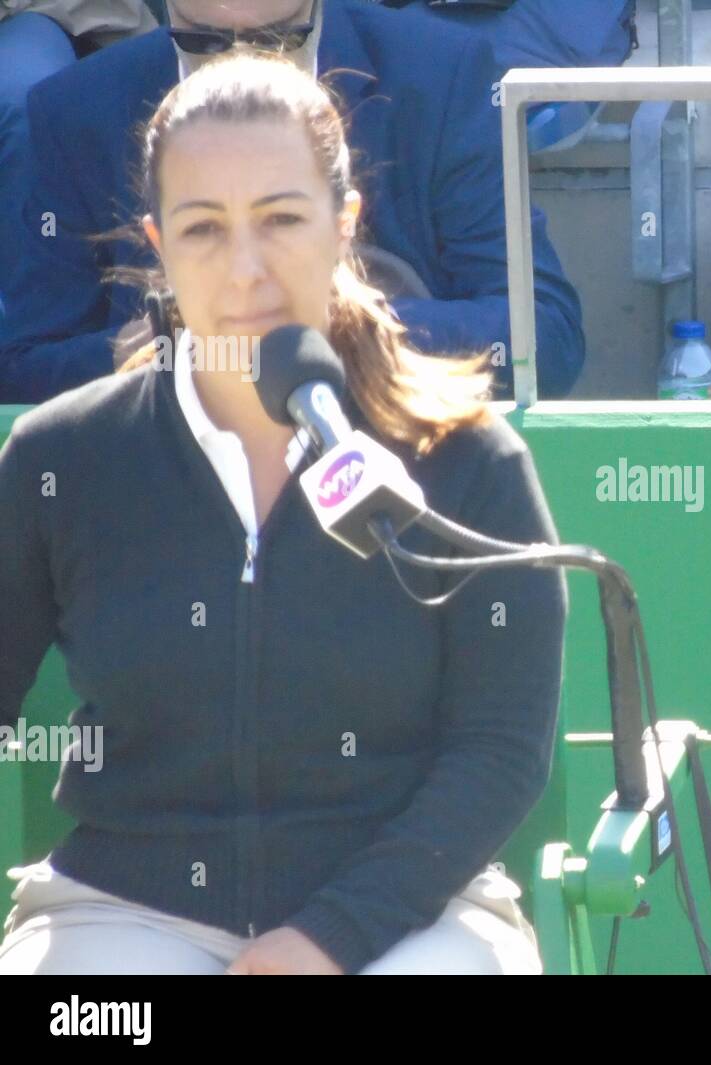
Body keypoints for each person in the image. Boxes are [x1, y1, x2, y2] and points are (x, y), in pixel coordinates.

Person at [0, 50, 568, 975]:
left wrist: (327, 939)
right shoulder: (60, 458)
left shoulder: (470, 459)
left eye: (281, 220)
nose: (246, 270)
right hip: (122, 914)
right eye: (203, 230)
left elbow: (499, 751)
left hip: (412, 913)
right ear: (156, 241)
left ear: (345, 223)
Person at [0, 0, 585, 404]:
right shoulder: (73, 109)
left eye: (276, 42)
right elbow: (24, 372)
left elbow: (545, 338)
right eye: (202, 45)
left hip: (397, 454)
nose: (240, 67)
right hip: (166, 487)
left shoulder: (440, 73)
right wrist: (164, 348)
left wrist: (335, 328)